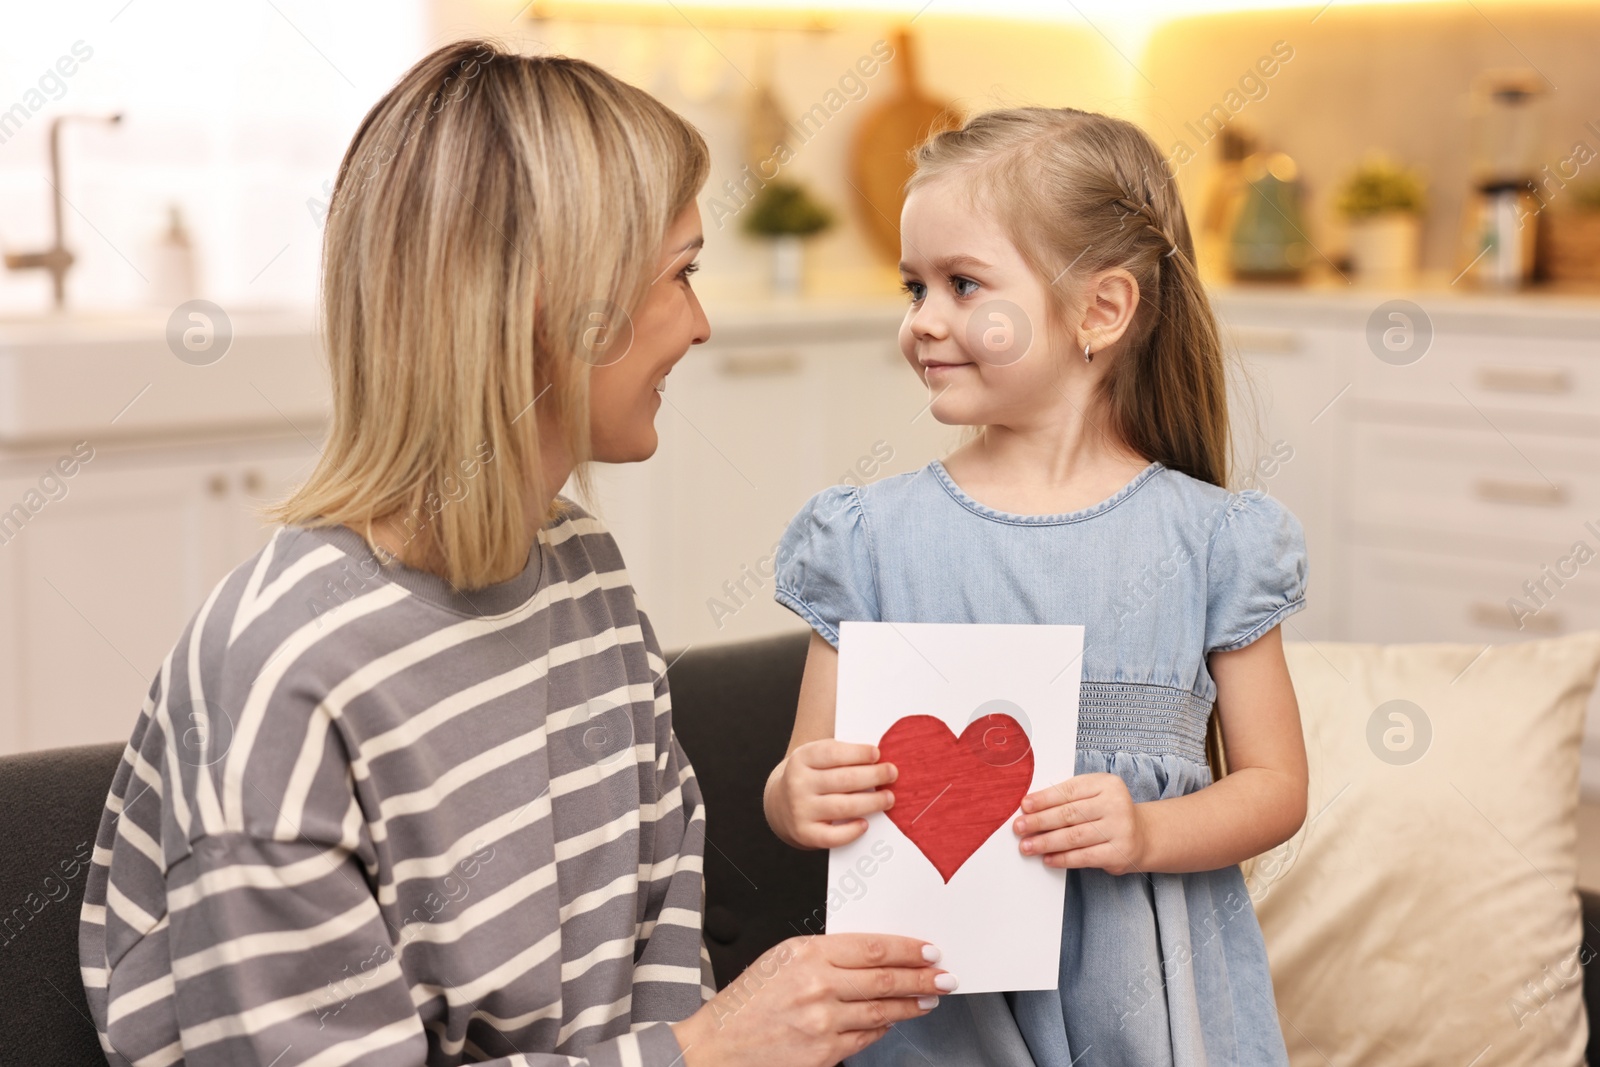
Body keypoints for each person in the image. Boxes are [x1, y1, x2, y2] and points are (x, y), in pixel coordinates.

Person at [77, 39, 949, 1067]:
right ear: (556, 308)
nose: (703, 325)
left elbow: (659, 942)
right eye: (681, 273)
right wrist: (711, 1049)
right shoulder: (278, 671)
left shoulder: (583, 572)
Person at [763, 106, 1310, 1066]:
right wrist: (795, 792)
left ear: (1100, 311)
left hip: (1155, 1007)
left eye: (963, 284)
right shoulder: (869, 538)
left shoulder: (1216, 539)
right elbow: (803, 773)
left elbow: (1274, 788)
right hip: (935, 1010)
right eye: (914, 286)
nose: (922, 320)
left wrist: (1144, 830)